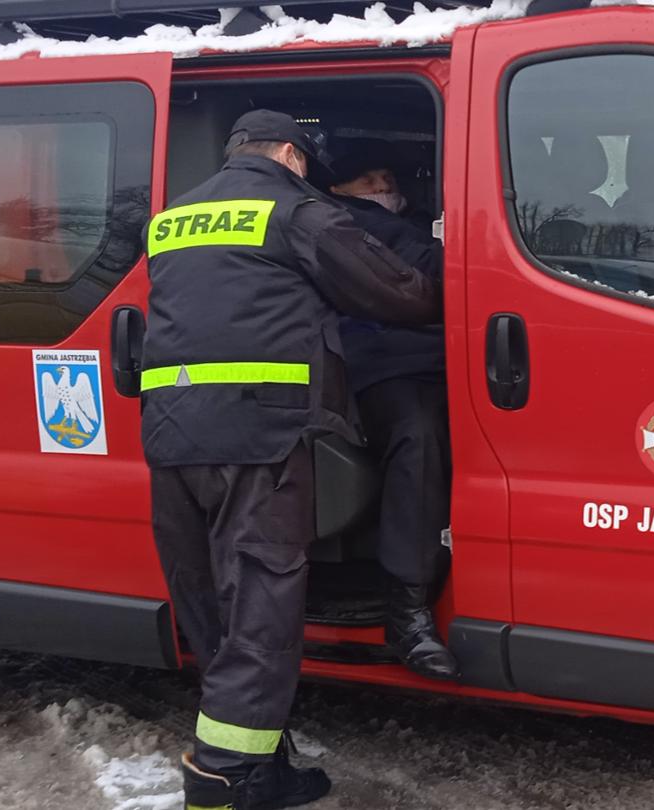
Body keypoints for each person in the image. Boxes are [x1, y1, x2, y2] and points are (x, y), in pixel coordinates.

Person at [142, 110, 439, 810]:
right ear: (289, 155)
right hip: (261, 440)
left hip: (172, 436)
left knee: (213, 608)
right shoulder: (296, 212)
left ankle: (262, 764)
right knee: (262, 611)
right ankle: (222, 779)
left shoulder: (173, 218)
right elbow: (397, 291)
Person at [324, 140, 458, 681]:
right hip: (377, 368)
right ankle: (407, 612)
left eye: (386, 177)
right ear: (337, 189)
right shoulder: (341, 223)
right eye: (367, 180)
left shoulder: (417, 221)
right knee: (417, 434)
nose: (383, 188)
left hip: (439, 359)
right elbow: (432, 263)